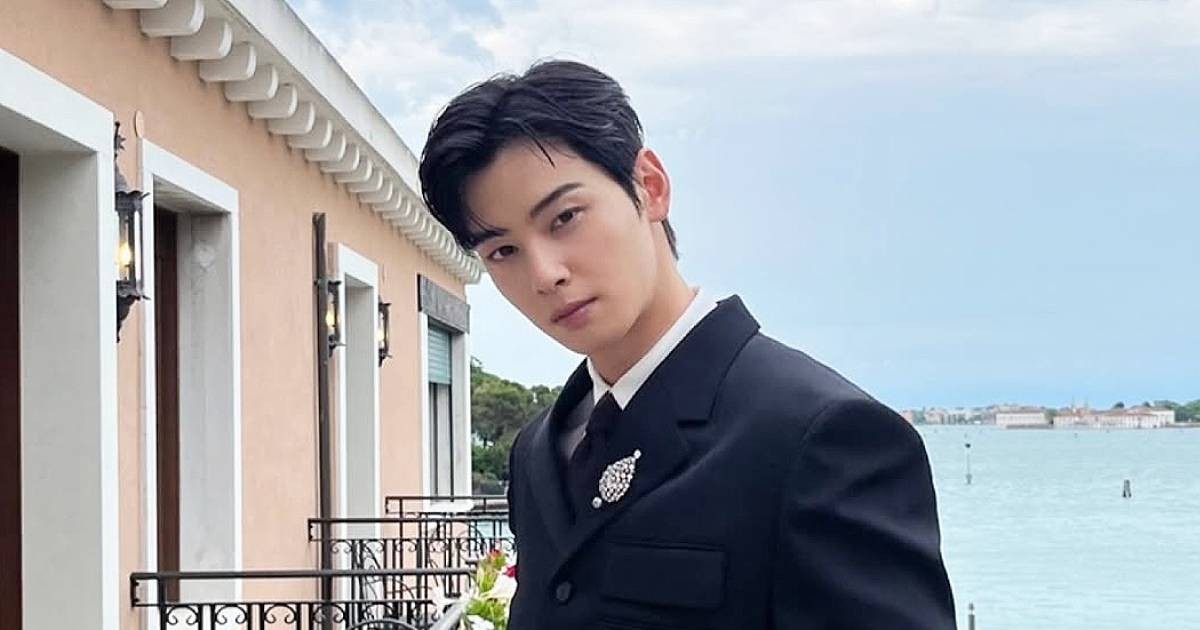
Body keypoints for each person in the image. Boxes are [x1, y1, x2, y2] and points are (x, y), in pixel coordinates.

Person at [419, 60, 955, 630]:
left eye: (565, 217)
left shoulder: (820, 438)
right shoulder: (538, 452)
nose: (545, 274)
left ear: (649, 187)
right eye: (503, 251)